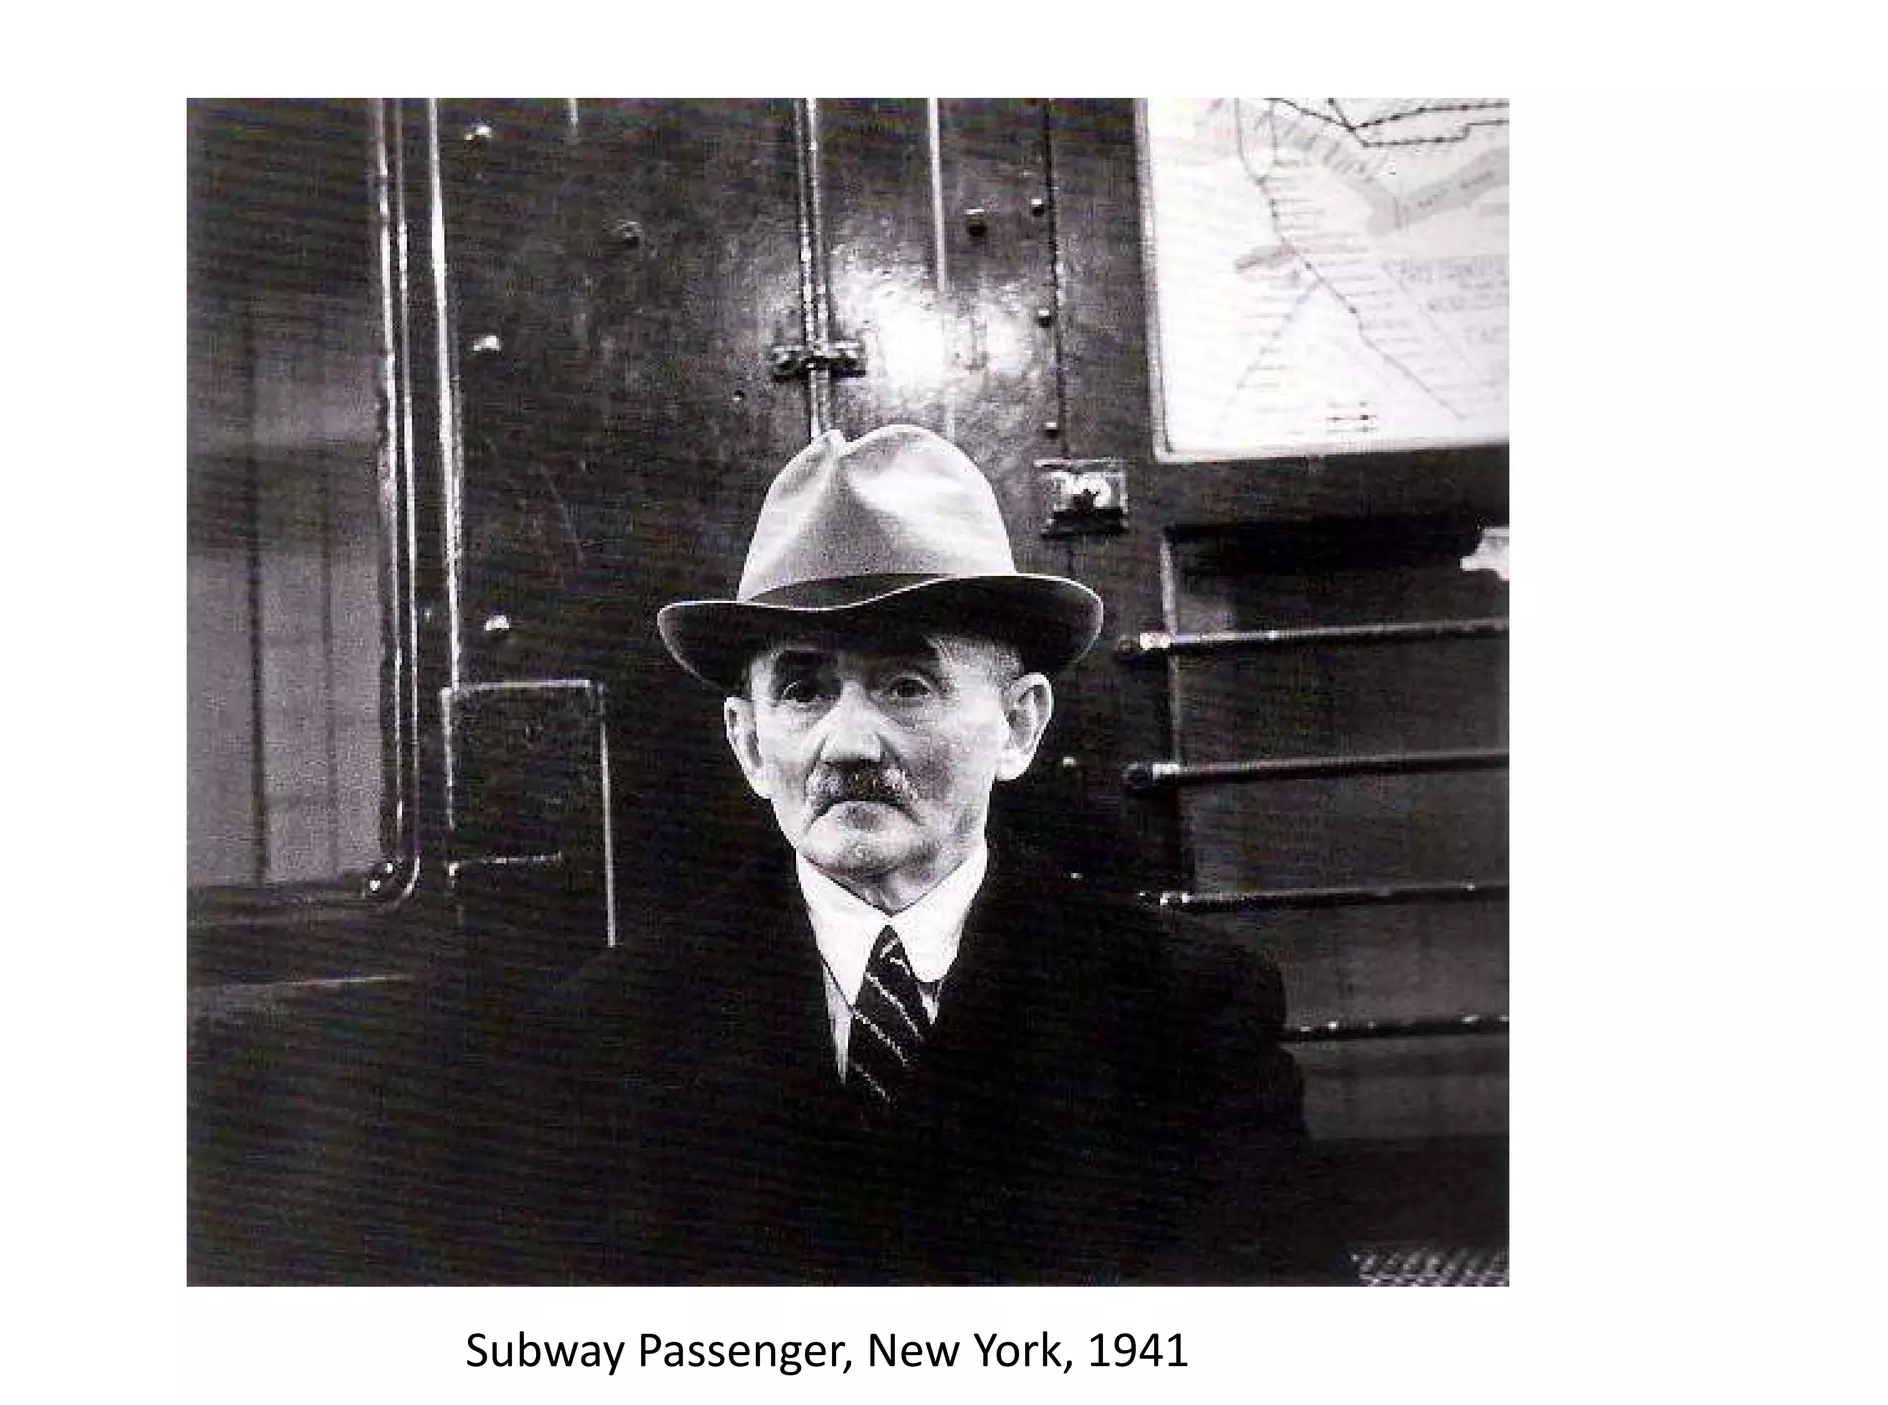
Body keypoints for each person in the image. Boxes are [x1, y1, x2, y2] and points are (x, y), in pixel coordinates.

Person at [448, 424, 1351, 1284]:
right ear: (751, 742)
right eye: (803, 690)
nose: (848, 744)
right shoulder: (609, 1035)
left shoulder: (1185, 1010)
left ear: (1018, 725)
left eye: (907, 685)